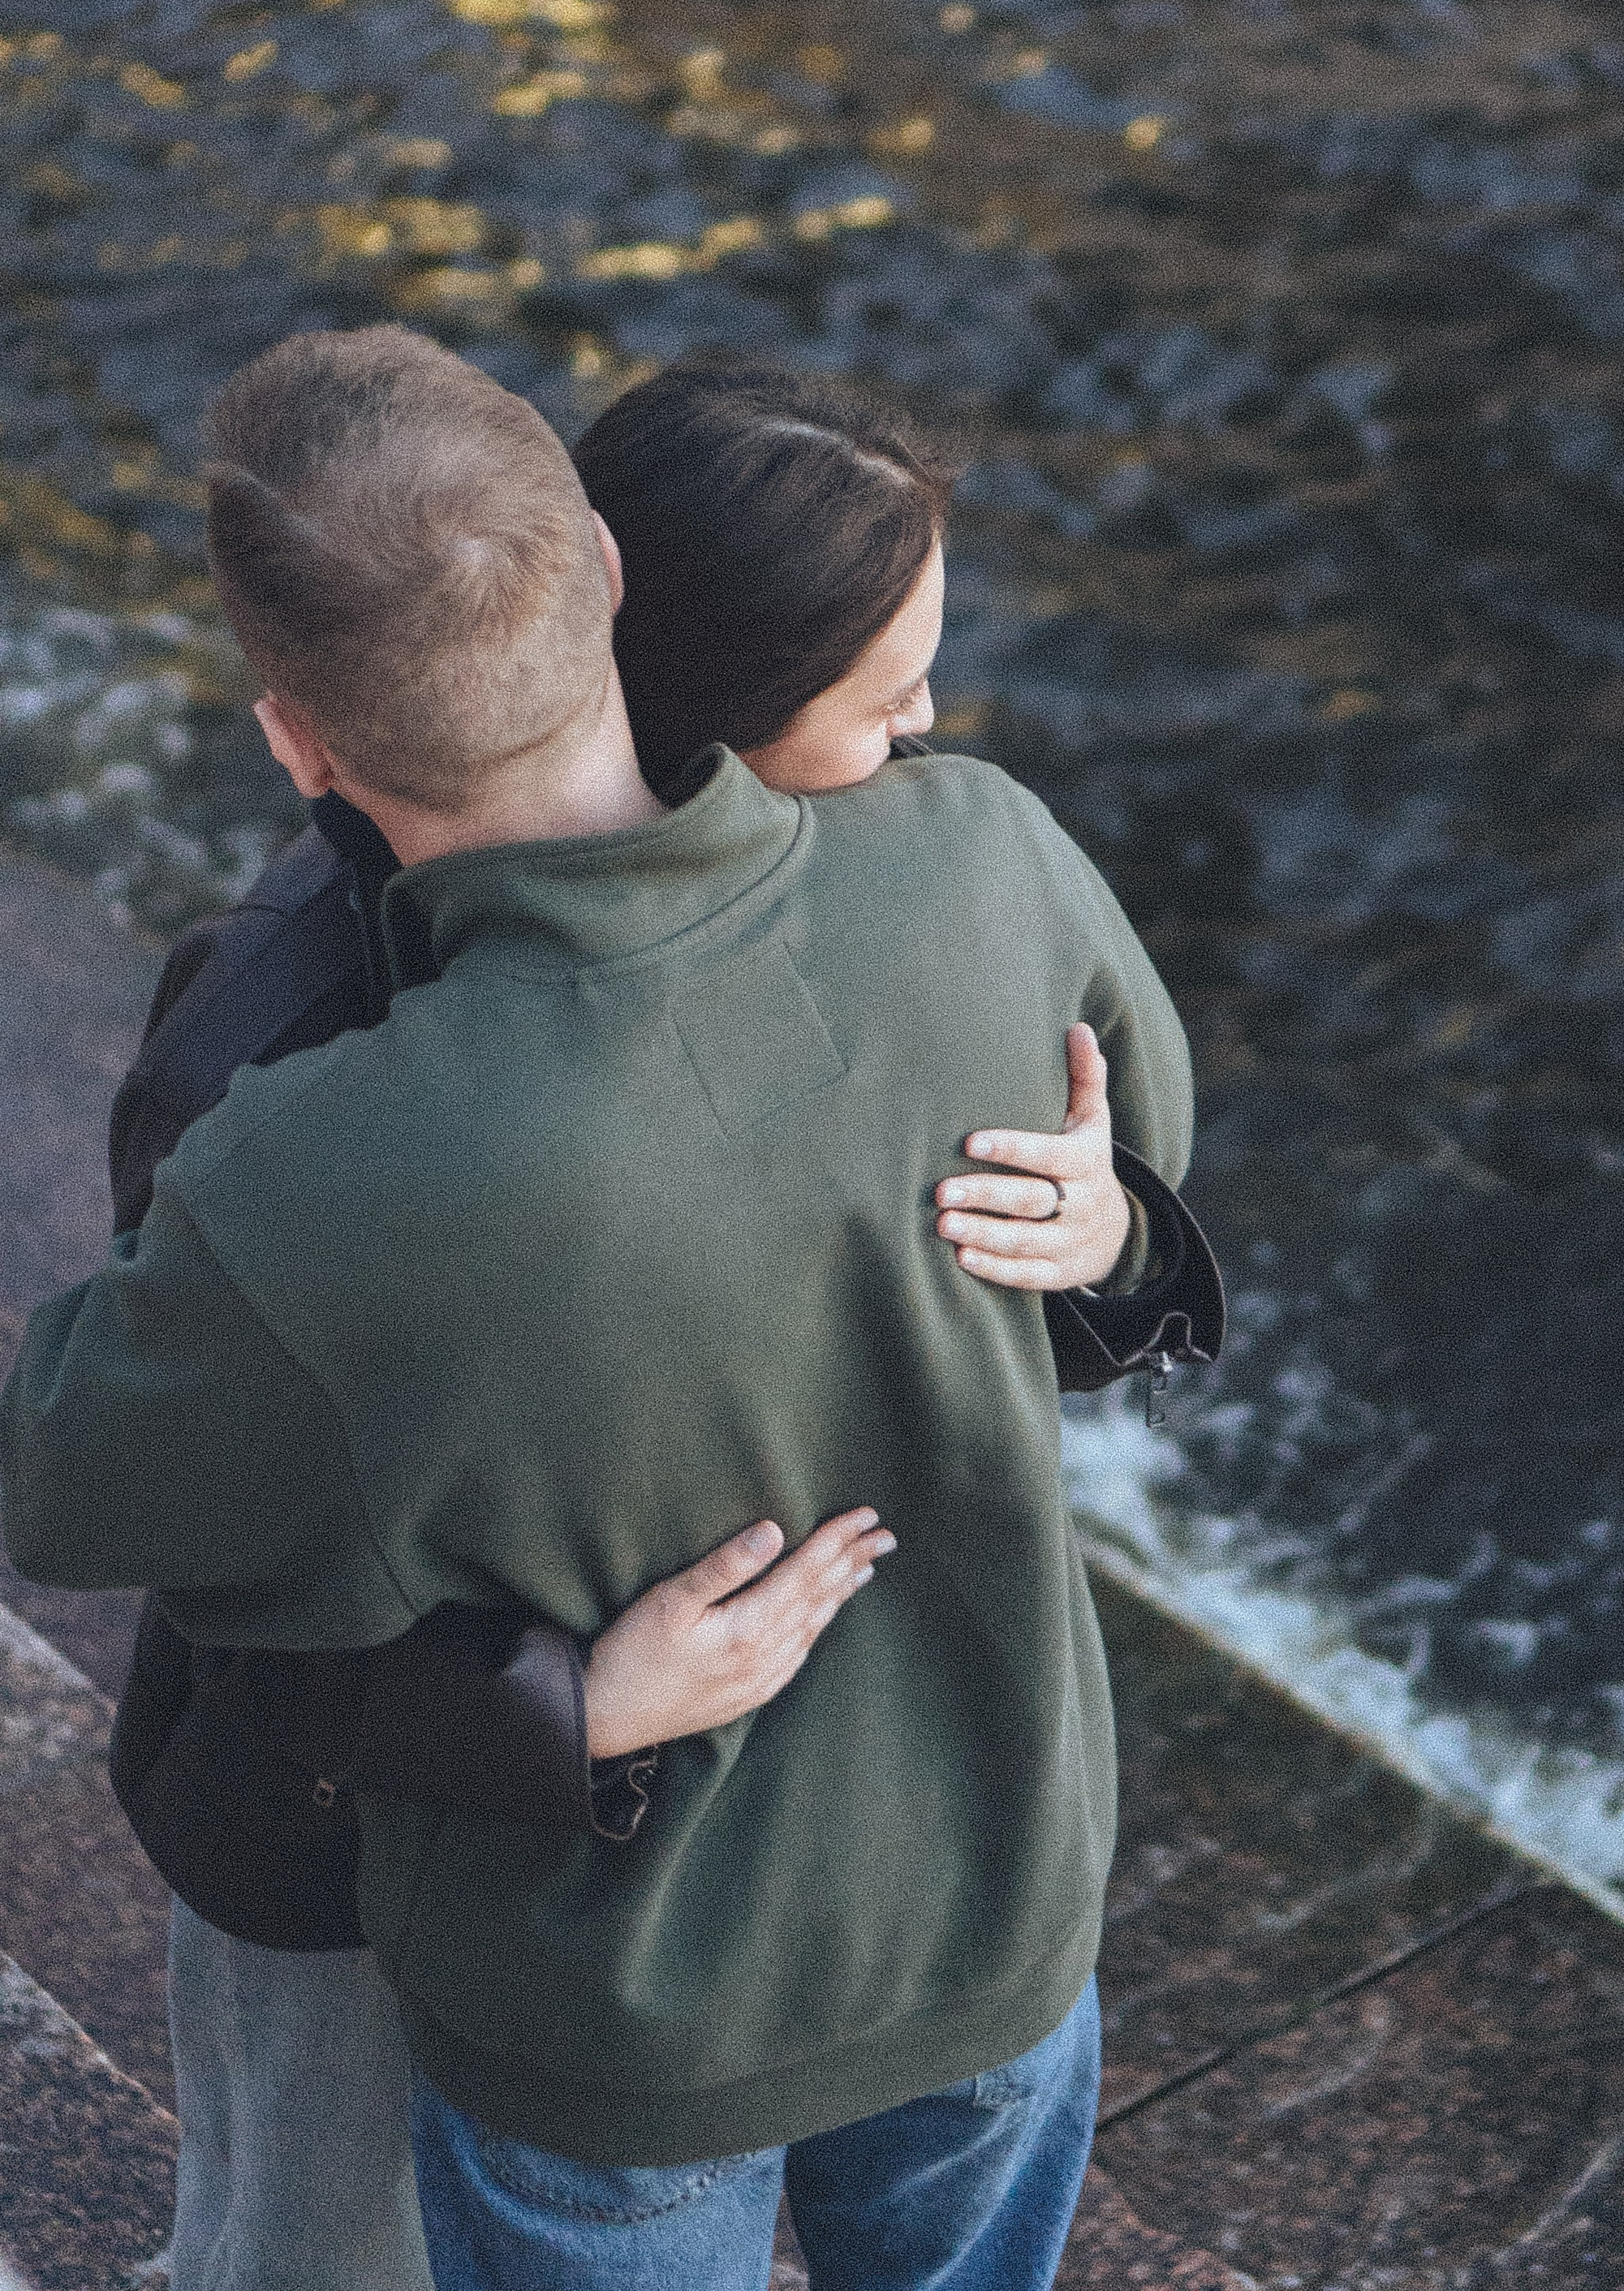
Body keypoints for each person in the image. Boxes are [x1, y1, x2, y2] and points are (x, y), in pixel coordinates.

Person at [4, 328, 1199, 2291]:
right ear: (618, 590)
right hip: (995, 1893)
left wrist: (558, 1704)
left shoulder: (304, 1154)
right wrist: (1120, 1228)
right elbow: (1131, 1166)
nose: (911, 732)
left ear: (296, 738)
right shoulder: (990, 854)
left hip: (617, 1998)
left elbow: (80, 1497)